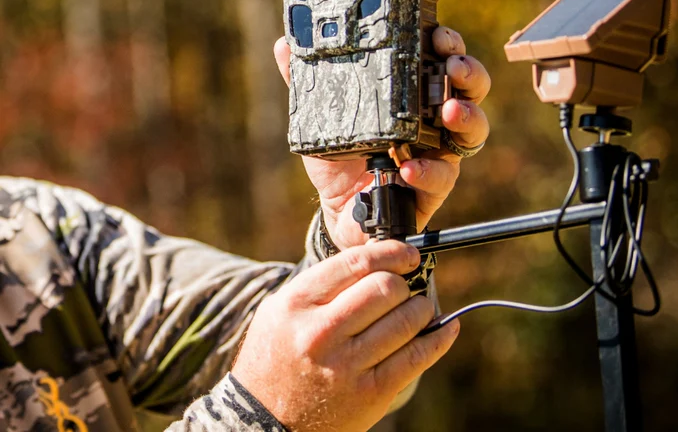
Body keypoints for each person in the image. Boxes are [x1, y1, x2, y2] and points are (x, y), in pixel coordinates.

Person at [0, 27, 491, 431]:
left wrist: (360, 233)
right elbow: (279, 386)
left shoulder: (38, 233)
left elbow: (300, 353)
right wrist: (255, 417)